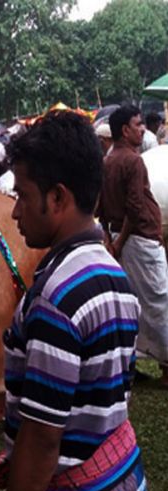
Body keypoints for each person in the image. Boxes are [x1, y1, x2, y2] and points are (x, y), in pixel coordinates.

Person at [0, 110, 152, 491]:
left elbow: (43, 440)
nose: (15, 213)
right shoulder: (111, 271)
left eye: (23, 196)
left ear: (58, 198)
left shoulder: (56, 301)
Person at [97, 104, 168, 386]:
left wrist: (112, 240)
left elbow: (100, 208)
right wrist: (121, 240)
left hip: (120, 239)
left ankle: (130, 363)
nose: (143, 129)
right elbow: (135, 208)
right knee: (158, 301)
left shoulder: (107, 161)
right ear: (125, 130)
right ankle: (166, 368)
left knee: (131, 303)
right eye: (138, 125)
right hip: (137, 239)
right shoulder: (132, 161)